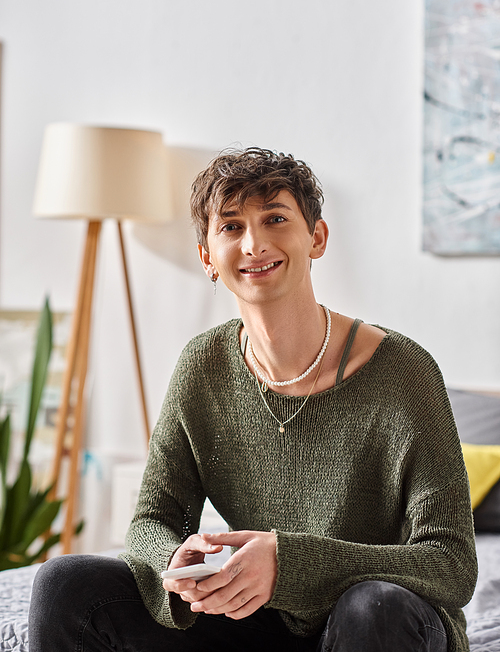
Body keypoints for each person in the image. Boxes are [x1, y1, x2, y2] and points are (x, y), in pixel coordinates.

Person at [29, 147, 477, 652]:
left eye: (276, 218)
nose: (254, 243)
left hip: (378, 623)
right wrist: (174, 560)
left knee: (371, 605)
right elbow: (152, 521)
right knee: (65, 585)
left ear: (317, 237)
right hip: (258, 621)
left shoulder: (403, 372)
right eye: (231, 227)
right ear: (207, 257)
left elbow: (452, 563)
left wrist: (287, 564)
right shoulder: (203, 366)